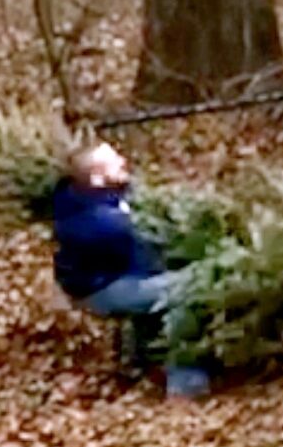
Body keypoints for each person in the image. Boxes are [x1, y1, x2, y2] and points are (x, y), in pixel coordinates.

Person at [51, 141, 210, 399]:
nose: (123, 161)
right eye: (114, 160)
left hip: (127, 275)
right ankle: (187, 387)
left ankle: (142, 364)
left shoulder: (114, 197)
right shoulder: (92, 218)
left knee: (162, 287)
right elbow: (139, 238)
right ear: (97, 177)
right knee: (184, 290)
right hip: (102, 288)